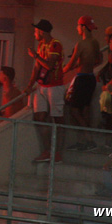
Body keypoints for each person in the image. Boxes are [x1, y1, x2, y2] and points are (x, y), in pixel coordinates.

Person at [24, 19, 66, 163]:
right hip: (42, 86)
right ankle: (47, 150)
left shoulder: (55, 44)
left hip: (54, 86)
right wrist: (30, 85)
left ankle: (58, 152)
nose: (35, 33)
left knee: (57, 119)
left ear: (41, 31)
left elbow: (49, 65)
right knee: (39, 118)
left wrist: (35, 56)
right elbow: (37, 68)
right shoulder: (41, 45)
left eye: (36, 31)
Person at [63, 15, 101, 151]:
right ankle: (82, 141)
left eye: (78, 26)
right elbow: (98, 60)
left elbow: (70, 64)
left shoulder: (81, 44)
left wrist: (58, 72)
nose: (77, 28)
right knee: (84, 110)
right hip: (91, 77)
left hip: (82, 78)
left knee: (74, 110)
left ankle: (89, 139)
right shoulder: (95, 42)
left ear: (83, 27)